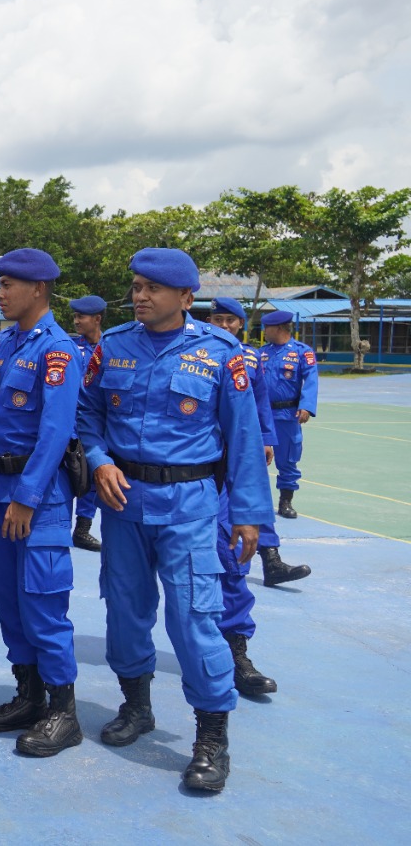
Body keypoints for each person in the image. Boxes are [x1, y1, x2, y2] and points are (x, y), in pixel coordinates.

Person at [78, 249, 273, 792]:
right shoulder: (112, 347)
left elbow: (245, 436)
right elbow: (87, 414)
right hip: (123, 504)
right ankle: (136, 707)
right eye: (136, 286)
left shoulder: (219, 353)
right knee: (125, 612)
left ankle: (211, 737)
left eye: (152, 289)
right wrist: (99, 461)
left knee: (193, 618)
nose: (139, 296)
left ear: (186, 298)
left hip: (189, 505)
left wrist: (251, 515)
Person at [0, 249, 82, 758]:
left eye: (8, 285)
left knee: (43, 604)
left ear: (38, 289)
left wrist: (27, 499)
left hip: (39, 499)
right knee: (9, 600)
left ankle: (63, 712)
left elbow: (54, 433)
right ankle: (28, 696)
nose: (0, 294)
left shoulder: (57, 350)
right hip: (2, 491)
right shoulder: (7, 345)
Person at [207, 297, 303, 694]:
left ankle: (235, 653)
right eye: (217, 318)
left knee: (231, 559)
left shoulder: (250, 359)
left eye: (231, 319)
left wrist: (265, 437)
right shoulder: (185, 352)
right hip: (180, 474)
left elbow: (259, 399)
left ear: (241, 325)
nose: (224, 324)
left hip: (233, 468)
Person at [259, 310, 319, 523]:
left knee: (287, 461)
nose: (264, 332)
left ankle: (285, 501)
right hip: (261, 416)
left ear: (278, 328)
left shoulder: (302, 352)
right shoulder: (261, 353)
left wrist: (306, 406)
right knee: (254, 459)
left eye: (267, 328)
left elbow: (311, 379)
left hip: (287, 415)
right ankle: (256, 502)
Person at [69, 294, 106, 552]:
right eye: (75, 316)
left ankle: (82, 528)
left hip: (99, 425)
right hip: (71, 422)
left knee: (92, 476)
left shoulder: (111, 348)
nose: (76, 321)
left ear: (97, 319)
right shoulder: (72, 347)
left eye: (81, 316)